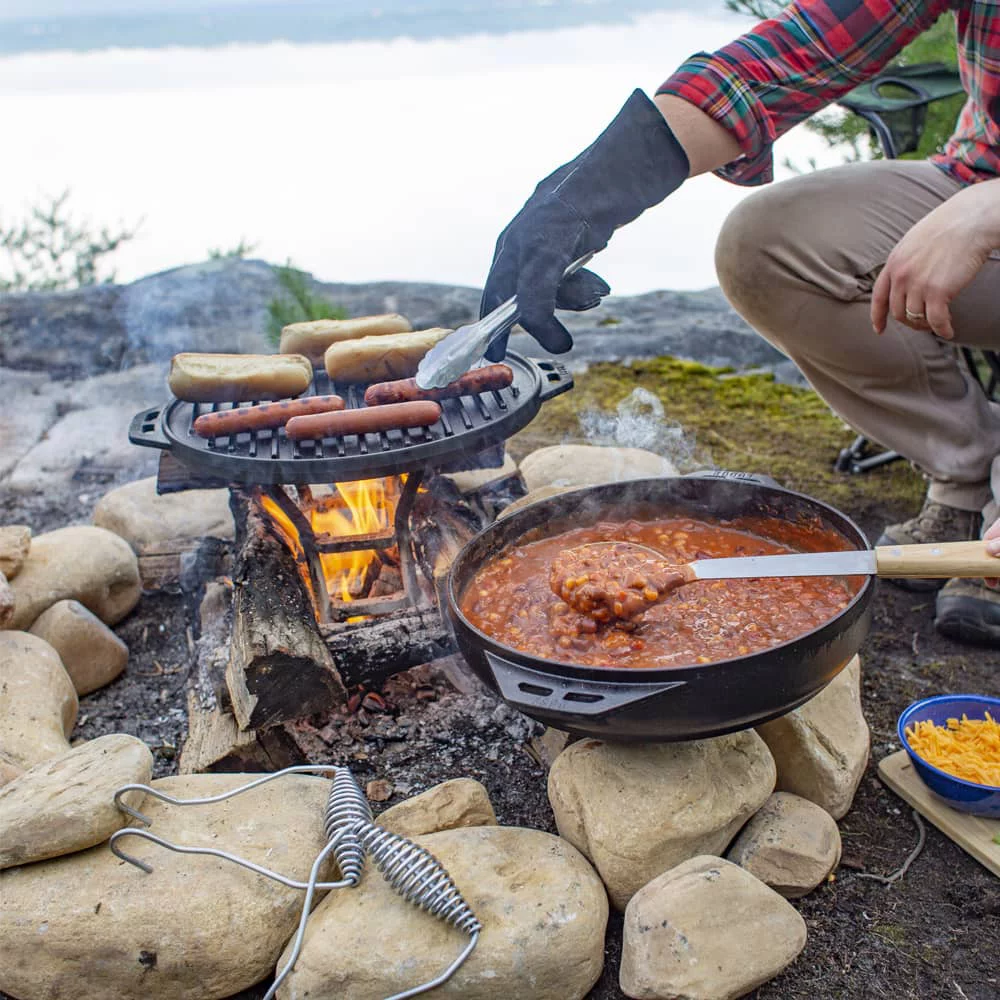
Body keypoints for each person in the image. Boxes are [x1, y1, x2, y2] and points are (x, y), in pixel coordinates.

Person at [480, 0, 1000, 646]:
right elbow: (803, 47)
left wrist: (991, 210)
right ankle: (965, 472)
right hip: (973, 175)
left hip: (987, 203)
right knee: (762, 243)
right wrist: (593, 189)